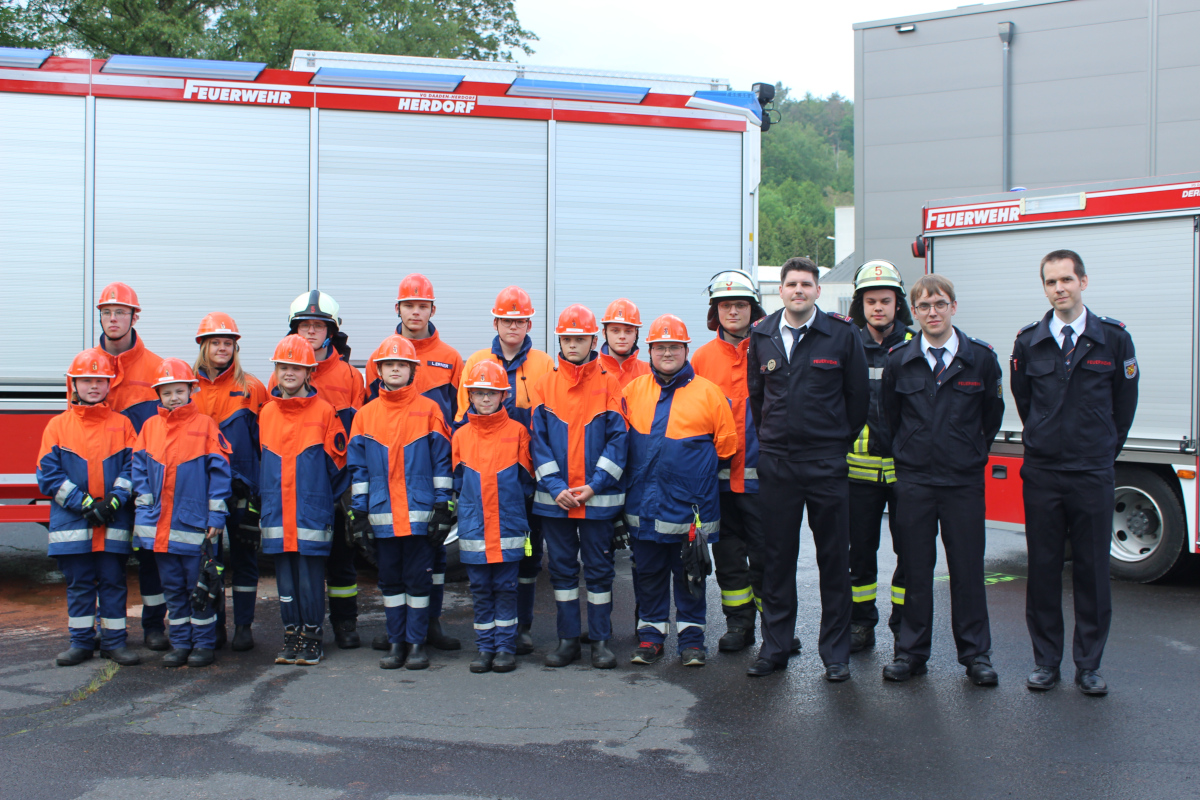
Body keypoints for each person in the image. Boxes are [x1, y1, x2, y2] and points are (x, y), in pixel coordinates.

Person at [1011, 249, 1138, 696]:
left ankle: (1089, 664)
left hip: (1091, 473)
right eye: (1051, 282)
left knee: (1092, 571)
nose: (1059, 288)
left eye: (1066, 279)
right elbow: (1024, 400)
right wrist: (1046, 438)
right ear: (1044, 288)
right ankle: (1046, 662)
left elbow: (1124, 405)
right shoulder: (1029, 341)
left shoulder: (1115, 340)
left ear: (1084, 282)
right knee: (1043, 569)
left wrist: (1101, 448)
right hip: (1044, 473)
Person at [746, 257, 868, 680]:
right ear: (779, 291)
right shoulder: (761, 335)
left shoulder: (841, 334)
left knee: (834, 559)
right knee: (777, 559)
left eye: (806, 284)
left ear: (818, 290)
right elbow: (758, 399)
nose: (798, 290)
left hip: (826, 464)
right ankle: (775, 647)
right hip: (778, 465)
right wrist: (775, 442)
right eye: (791, 284)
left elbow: (857, 400)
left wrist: (833, 444)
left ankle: (835, 655)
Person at [880, 275, 1004, 685]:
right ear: (912, 313)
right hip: (914, 481)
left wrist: (968, 451)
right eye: (923, 306)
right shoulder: (899, 360)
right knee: (915, 570)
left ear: (954, 306)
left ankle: (976, 656)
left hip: (962, 482)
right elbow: (891, 418)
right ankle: (911, 653)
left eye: (940, 304)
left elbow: (991, 415)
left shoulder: (981, 359)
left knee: (967, 570)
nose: (932, 312)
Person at [623, 315, 737, 667]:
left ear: (686, 350)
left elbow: (726, 448)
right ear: (650, 351)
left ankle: (692, 642)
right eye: (660, 347)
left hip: (690, 510)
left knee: (691, 576)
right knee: (648, 575)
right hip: (644, 506)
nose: (667, 353)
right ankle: (650, 639)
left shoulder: (709, 393)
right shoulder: (632, 392)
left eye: (674, 347)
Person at [364, 273, 464, 653]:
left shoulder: (450, 358)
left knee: (433, 554)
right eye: (410, 305)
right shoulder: (381, 356)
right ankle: (400, 631)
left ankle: (430, 625)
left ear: (432, 309)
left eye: (423, 305)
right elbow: (370, 415)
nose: (416, 311)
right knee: (391, 560)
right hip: (391, 474)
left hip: (432, 470)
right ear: (399, 309)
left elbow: (458, 417)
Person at [530, 304, 628, 669]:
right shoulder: (544, 384)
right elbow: (536, 442)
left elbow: (619, 440)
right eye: (567, 338)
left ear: (593, 339)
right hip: (556, 501)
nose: (572, 345)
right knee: (562, 570)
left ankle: (601, 641)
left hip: (596, 501)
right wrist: (557, 487)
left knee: (600, 571)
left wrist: (594, 486)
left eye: (580, 338)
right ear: (560, 339)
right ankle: (568, 639)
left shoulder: (609, 382)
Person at [457, 286, 554, 654]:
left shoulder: (544, 363)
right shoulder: (478, 361)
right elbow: (461, 419)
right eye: (506, 320)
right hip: (486, 472)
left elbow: (548, 423)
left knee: (527, 558)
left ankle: (521, 628)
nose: (513, 326)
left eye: (520, 320)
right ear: (496, 321)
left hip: (525, 474)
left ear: (529, 323)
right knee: (487, 566)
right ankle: (495, 637)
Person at [348, 335, 453, 671]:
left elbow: (442, 464)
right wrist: (359, 513)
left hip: (420, 518)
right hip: (382, 516)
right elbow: (359, 470)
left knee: (418, 581)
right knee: (390, 582)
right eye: (389, 364)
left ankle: (417, 643)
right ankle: (396, 643)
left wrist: (442, 508)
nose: (395, 369)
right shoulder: (365, 416)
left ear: (412, 371)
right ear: (379, 370)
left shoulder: (430, 411)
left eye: (402, 365)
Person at [272, 291, 365, 650]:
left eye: (318, 325)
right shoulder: (280, 373)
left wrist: (352, 485)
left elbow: (359, 433)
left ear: (331, 331)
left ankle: (345, 622)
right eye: (304, 325)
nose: (311, 332)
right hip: (299, 484)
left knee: (342, 558)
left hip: (339, 483)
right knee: (302, 559)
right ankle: (305, 628)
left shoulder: (348, 376)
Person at [36, 348, 139, 667]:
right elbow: (47, 473)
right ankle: (81, 643)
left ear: (110, 385)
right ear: (73, 384)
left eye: (100, 380)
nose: (93, 386)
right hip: (74, 524)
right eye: (86, 380)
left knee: (113, 583)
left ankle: (114, 643)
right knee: (79, 584)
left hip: (112, 520)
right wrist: (85, 505)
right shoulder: (57, 426)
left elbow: (134, 467)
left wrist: (113, 502)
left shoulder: (122, 425)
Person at [132, 359, 233, 668]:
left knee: (199, 588)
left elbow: (220, 475)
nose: (174, 397)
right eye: (167, 392)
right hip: (160, 529)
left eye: (179, 390)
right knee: (173, 590)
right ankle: (180, 644)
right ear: (158, 395)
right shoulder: (150, 427)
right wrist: (146, 508)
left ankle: (203, 645)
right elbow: (138, 469)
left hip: (195, 529)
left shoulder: (205, 426)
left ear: (192, 390)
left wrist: (216, 517)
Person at [260, 335, 349, 667]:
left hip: (310, 513)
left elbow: (339, 469)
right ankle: (291, 634)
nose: (288, 373)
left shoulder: (324, 411)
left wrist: (319, 499)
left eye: (296, 368)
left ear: (309, 372)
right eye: (283, 367)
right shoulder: (266, 413)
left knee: (311, 579)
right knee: (285, 580)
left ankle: (312, 636)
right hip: (276, 512)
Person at [691, 270, 767, 652]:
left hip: (764, 482)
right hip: (718, 484)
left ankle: (776, 627)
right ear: (714, 311)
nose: (733, 311)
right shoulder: (701, 359)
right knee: (730, 558)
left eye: (740, 304)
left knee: (769, 557)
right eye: (725, 305)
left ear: (753, 308)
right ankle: (739, 625)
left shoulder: (772, 348)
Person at [844, 261, 915, 653]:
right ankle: (860, 623)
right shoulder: (848, 344)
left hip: (906, 471)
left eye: (885, 301)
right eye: (870, 301)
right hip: (858, 472)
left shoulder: (915, 346)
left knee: (909, 550)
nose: (878, 308)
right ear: (860, 305)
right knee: (860, 554)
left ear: (898, 304)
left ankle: (904, 624)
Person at [95, 282, 169, 652]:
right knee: (105, 559)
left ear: (134, 317)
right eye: (107, 312)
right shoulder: (86, 365)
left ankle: (154, 627)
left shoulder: (155, 367)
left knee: (150, 556)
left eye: (120, 312)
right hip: (101, 477)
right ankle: (105, 631)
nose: (113, 319)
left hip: (145, 478)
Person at [453, 360, 536, 673]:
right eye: (479, 393)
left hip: (508, 525)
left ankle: (504, 647)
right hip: (475, 527)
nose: (485, 399)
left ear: (504, 396)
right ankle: (485, 648)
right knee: (480, 590)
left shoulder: (517, 432)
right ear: (470, 396)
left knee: (506, 588)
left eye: (492, 393)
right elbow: (457, 482)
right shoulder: (460, 436)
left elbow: (527, 481)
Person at [192, 313, 268, 652]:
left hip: (243, 489)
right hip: (199, 489)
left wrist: (259, 487)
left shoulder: (251, 387)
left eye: (228, 343)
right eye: (216, 342)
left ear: (235, 347)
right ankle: (215, 625)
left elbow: (265, 443)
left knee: (244, 557)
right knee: (208, 559)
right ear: (203, 346)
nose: (222, 348)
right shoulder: (187, 387)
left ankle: (243, 627)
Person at [598, 299, 651, 388]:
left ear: (636, 334)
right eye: (615, 331)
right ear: (604, 333)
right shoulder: (590, 370)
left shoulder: (649, 372)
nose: (622, 336)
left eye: (628, 331)